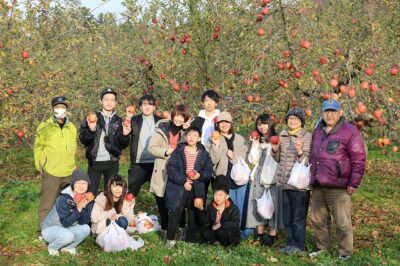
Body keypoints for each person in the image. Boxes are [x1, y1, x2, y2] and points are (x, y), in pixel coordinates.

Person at [309, 99, 366, 261]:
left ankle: (345, 252)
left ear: (340, 112)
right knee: (318, 219)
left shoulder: (350, 131)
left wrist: (354, 183)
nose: (329, 114)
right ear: (322, 112)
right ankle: (322, 248)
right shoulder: (318, 130)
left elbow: (359, 158)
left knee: (342, 222)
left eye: (333, 111)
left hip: (339, 186)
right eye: (326, 111)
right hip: (318, 183)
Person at [271, 107, 312, 255]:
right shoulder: (281, 135)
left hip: (299, 184)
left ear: (301, 121)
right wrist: (275, 150)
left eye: (295, 118)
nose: (292, 121)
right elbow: (277, 160)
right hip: (284, 182)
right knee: (287, 217)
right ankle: (290, 244)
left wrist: (300, 150)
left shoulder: (307, 136)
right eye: (290, 118)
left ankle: (299, 246)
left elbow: (307, 161)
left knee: (297, 217)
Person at [34, 96, 77, 236]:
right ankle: (42, 231)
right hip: (51, 170)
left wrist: (73, 163)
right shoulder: (44, 127)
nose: (60, 110)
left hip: (68, 171)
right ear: (53, 109)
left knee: (66, 202)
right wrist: (40, 165)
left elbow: (73, 147)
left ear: (66, 109)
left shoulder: (72, 127)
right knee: (47, 202)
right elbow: (38, 147)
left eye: (63, 107)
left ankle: (62, 226)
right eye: (57, 107)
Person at [164, 126, 213, 248]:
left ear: (199, 138)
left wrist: (199, 175)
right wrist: (183, 181)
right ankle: (170, 238)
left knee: (193, 213)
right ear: (185, 137)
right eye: (189, 135)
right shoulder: (179, 151)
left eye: (194, 135)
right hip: (180, 186)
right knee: (175, 211)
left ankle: (190, 239)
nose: (191, 138)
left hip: (196, 187)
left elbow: (208, 171)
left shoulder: (204, 154)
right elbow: (171, 168)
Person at [148, 104, 192, 239]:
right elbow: (151, 148)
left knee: (179, 203)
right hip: (161, 169)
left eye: (182, 117)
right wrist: (165, 151)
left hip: (179, 171)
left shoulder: (187, 132)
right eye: (177, 115)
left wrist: (186, 132)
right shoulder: (161, 128)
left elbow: (191, 146)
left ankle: (181, 228)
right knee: (162, 204)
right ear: (173, 115)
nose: (179, 119)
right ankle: (165, 229)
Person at [205, 112, 251, 237]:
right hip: (222, 176)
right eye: (221, 122)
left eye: (227, 122)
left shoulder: (240, 138)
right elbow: (212, 160)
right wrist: (216, 146)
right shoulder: (213, 138)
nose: (224, 125)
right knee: (224, 206)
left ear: (231, 124)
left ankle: (242, 230)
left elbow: (245, 157)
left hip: (239, 176)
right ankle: (224, 231)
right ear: (217, 124)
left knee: (240, 203)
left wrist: (233, 157)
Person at [79, 88, 131, 196]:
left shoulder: (119, 121)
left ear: (116, 103)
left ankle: (109, 213)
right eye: (106, 99)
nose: (109, 102)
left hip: (112, 162)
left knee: (110, 194)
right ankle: (88, 212)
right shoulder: (91, 118)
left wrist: (125, 135)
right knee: (90, 194)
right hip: (94, 163)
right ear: (100, 101)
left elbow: (123, 144)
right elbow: (83, 140)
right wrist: (92, 129)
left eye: (112, 100)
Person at [246, 114, 283, 246]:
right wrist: (255, 144)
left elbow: (277, 159)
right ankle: (260, 235)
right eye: (259, 124)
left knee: (274, 207)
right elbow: (252, 160)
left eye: (264, 124)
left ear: (270, 124)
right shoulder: (257, 140)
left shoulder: (277, 139)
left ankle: (272, 236)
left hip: (273, 179)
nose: (262, 127)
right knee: (258, 206)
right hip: (258, 178)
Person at [40, 170, 94, 256]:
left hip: (67, 228)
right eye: (78, 183)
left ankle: (69, 247)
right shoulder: (63, 198)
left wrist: (85, 207)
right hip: (50, 229)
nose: (81, 186)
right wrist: (78, 209)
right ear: (73, 184)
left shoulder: (87, 198)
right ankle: (52, 247)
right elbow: (65, 222)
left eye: (84, 183)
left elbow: (82, 222)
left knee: (86, 228)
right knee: (68, 236)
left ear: (88, 186)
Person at [127, 94, 162, 196]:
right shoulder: (134, 120)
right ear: (140, 107)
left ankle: (163, 212)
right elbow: (123, 135)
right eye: (144, 104)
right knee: (131, 193)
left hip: (156, 162)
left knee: (159, 194)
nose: (147, 107)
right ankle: (125, 211)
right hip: (138, 163)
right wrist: (128, 119)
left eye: (150, 104)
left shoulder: (161, 121)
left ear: (154, 107)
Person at [191, 90, 221, 196]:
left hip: (216, 155)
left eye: (212, 100)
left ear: (216, 103)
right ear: (202, 102)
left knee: (218, 190)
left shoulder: (220, 118)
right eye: (206, 100)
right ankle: (200, 210)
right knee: (200, 190)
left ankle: (216, 212)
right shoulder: (197, 120)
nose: (209, 103)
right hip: (200, 155)